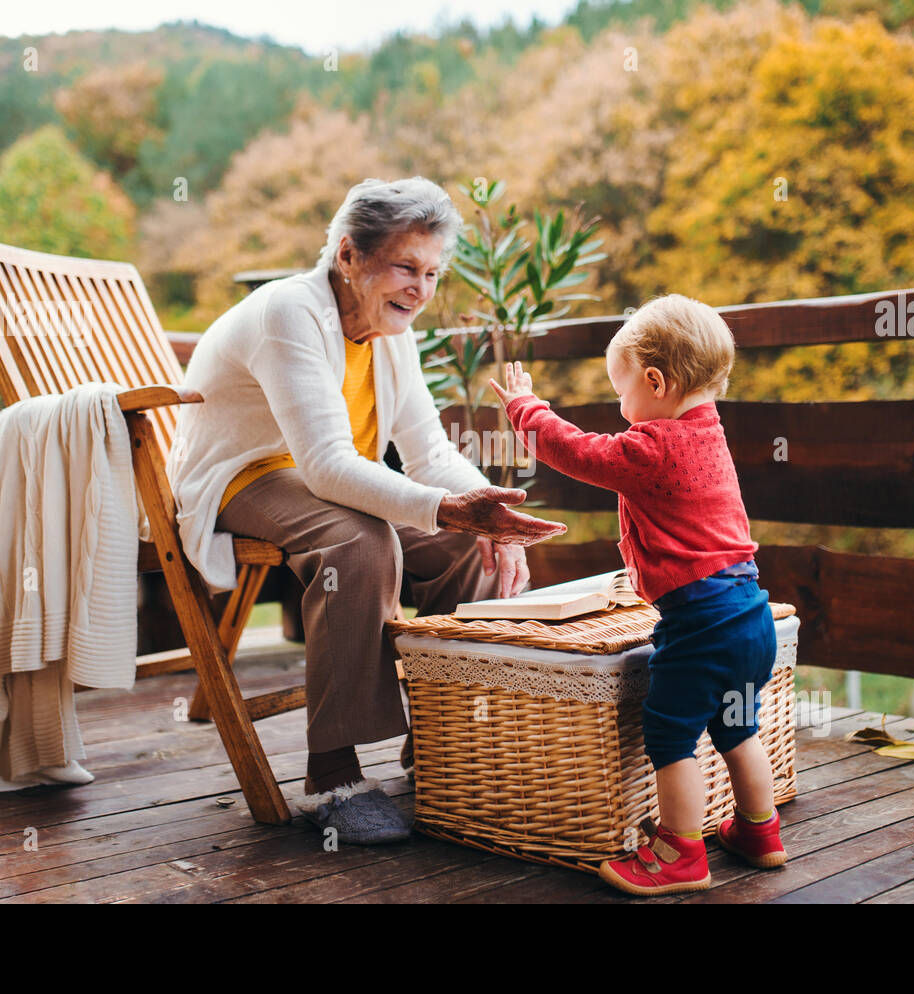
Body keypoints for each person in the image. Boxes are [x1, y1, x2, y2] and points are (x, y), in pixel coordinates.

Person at [169, 176, 566, 844]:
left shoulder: (390, 328)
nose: (421, 288)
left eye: (433, 273)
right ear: (350, 257)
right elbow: (325, 464)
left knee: (468, 546)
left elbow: (431, 454)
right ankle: (334, 776)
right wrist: (445, 508)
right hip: (243, 475)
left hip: (322, 478)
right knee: (359, 540)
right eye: (406, 267)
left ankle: (443, 739)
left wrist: (491, 522)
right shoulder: (288, 312)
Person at [489, 294, 785, 897]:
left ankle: (680, 852)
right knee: (737, 724)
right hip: (749, 614)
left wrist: (527, 411)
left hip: (699, 620)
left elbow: (579, 452)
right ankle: (760, 830)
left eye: (621, 392)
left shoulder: (654, 447)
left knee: (671, 732)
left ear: (657, 380)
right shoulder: (710, 436)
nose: (622, 409)